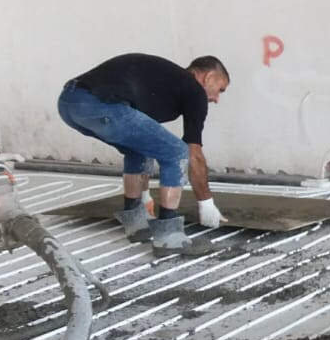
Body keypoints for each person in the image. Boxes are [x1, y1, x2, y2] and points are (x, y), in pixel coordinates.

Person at [57, 53, 229, 254]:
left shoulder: (165, 83)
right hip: (100, 104)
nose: (217, 99)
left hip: (68, 104)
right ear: (208, 77)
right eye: (220, 90)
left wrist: (145, 195)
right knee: (176, 152)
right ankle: (169, 236)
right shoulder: (194, 90)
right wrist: (206, 203)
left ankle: (137, 224)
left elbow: (143, 141)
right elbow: (194, 154)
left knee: (138, 148)